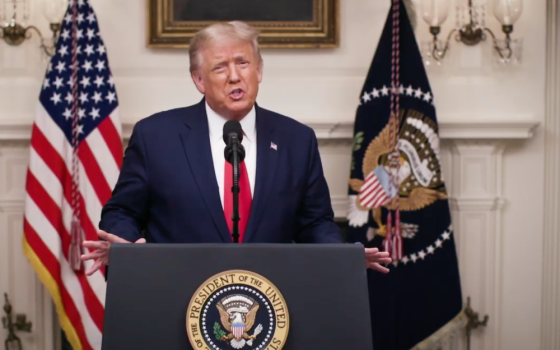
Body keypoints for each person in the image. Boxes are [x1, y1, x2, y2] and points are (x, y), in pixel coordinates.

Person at [81, 21, 391, 276]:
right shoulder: (156, 136)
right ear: (199, 80)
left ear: (259, 71)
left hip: (271, 299)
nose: (234, 76)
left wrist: (340, 257)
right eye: (220, 67)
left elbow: (315, 222)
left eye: (243, 63)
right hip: (178, 291)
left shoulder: (296, 139)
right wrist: (129, 246)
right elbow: (122, 210)